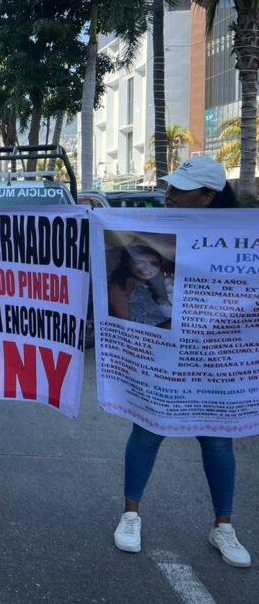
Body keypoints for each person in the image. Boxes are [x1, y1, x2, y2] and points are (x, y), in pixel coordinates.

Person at [113, 156, 250, 567]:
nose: (169, 195)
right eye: (170, 187)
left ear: (207, 197)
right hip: (164, 356)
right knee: (147, 430)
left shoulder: (243, 234)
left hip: (216, 360)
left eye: (180, 190)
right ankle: (130, 515)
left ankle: (223, 526)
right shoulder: (155, 226)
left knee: (218, 439)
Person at [107, 244, 172, 328]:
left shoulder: (154, 284)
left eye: (154, 263)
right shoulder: (119, 287)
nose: (147, 267)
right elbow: (124, 326)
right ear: (127, 262)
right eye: (140, 262)